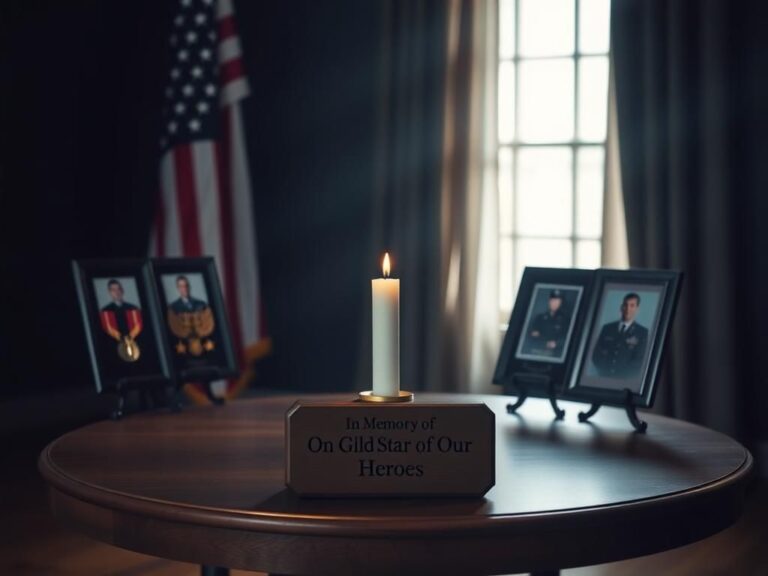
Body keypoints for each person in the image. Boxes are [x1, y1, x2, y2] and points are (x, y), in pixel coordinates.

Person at [591, 292, 648, 379]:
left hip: (625, 379)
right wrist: (604, 372)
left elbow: (639, 361)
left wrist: (621, 376)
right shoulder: (607, 328)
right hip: (603, 376)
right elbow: (596, 355)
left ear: (637, 309)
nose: (628, 309)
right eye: (625, 305)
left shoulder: (642, 332)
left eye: (632, 306)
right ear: (621, 307)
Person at [520, 289, 571, 358]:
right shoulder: (540, 318)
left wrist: (556, 343)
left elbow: (568, 337)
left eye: (557, 301)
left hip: (556, 352)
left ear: (560, 303)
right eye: (552, 301)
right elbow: (532, 335)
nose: (554, 303)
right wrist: (543, 342)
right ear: (549, 301)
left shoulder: (566, 320)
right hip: (539, 350)